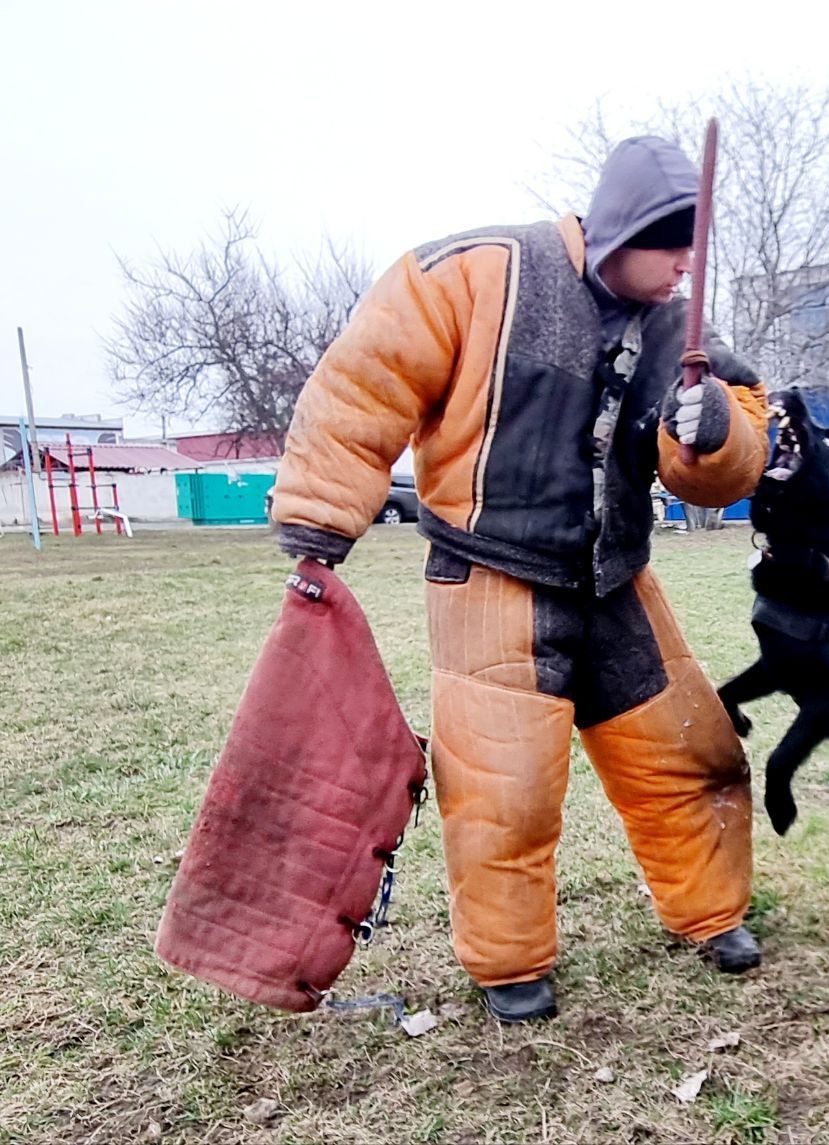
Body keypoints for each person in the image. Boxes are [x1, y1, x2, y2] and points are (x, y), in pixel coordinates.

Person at [269, 136, 769, 1023]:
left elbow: (723, 463)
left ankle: (712, 912)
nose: (688, 260)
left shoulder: (681, 335)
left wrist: (716, 427)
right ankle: (510, 965)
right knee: (503, 791)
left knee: (693, 757)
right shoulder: (473, 275)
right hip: (491, 578)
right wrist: (320, 518)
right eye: (673, 238)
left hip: (618, 583)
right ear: (622, 228)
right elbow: (365, 380)